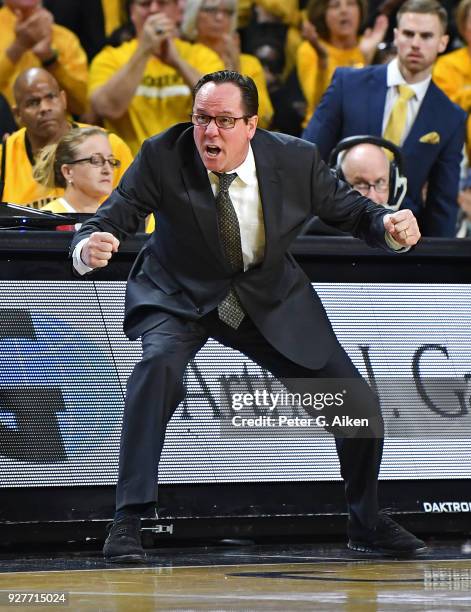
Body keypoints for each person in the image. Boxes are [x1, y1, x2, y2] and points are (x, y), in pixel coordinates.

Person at [71, 69, 425, 562]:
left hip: (265, 296)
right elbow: (114, 213)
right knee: (157, 372)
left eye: (223, 120)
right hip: (179, 293)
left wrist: (389, 226)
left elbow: (356, 213)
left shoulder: (296, 159)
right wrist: (89, 244)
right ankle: (128, 519)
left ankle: (365, 521)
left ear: (251, 125)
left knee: (358, 403)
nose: (209, 132)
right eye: (200, 119)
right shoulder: (162, 153)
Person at [303, 0, 466, 238]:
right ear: (396, 35)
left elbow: (442, 204)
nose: (416, 44)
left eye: (426, 36)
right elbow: (309, 159)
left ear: (443, 42)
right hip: (331, 230)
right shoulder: (347, 84)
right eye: (409, 34)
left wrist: (439, 265)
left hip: (400, 243)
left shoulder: (450, 117)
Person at [88, 0, 224, 155]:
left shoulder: (202, 56)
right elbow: (107, 108)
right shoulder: (110, 58)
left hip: (190, 166)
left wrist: (178, 63)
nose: (153, 9)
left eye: (162, 3)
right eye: (145, 4)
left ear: (178, 12)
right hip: (132, 168)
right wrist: (144, 51)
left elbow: (221, 105)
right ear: (132, 13)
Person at [0, 68, 132, 209]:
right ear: (17, 113)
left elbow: (138, 214)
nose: (44, 108)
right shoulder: (5, 156)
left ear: (63, 99)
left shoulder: (110, 145)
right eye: (33, 102)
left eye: (51, 97)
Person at [181, 0, 273, 128]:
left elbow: (263, 118)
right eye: (211, 10)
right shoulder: (180, 58)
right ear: (193, 13)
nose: (220, 17)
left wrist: (236, 68)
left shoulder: (249, 63)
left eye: (228, 12)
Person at [297, 0, 388, 127]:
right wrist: (322, 57)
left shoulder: (368, 44)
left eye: (351, 4)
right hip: (323, 127)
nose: (344, 11)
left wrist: (367, 57)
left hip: (361, 128)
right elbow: (319, 102)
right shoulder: (310, 49)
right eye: (335, 6)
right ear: (322, 14)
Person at [0, 0, 88, 117]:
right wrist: (17, 48)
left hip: (58, 132)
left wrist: (49, 59)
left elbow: (83, 107)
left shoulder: (65, 38)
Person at [32, 126, 118, 216]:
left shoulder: (116, 219)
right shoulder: (49, 219)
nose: (107, 170)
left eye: (111, 161)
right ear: (68, 171)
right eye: (96, 161)